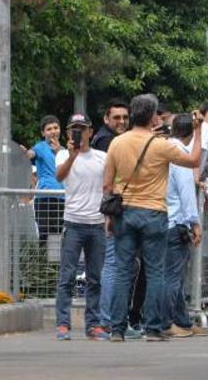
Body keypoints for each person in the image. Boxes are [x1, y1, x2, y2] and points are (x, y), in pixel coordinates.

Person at [103, 93, 204, 342]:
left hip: (125, 212)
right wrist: (198, 130)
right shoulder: (161, 145)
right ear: (152, 117)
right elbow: (193, 160)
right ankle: (153, 328)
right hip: (154, 212)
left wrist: (108, 218)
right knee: (155, 271)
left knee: (123, 271)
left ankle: (117, 328)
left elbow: (107, 185)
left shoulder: (117, 143)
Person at [52, 114, 109, 341]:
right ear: (68, 133)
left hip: (96, 224)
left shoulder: (102, 157)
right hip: (73, 223)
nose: (79, 133)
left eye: (82, 129)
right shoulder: (63, 155)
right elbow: (59, 176)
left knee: (95, 278)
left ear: (90, 132)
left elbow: (109, 185)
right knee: (67, 276)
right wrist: (72, 156)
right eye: (74, 129)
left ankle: (93, 324)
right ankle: (63, 324)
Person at [162, 114, 208, 338]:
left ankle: (182, 320)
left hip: (161, 219)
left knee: (174, 275)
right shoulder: (179, 155)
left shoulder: (162, 149)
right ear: (191, 134)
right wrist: (195, 222)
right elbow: (186, 192)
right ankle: (167, 322)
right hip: (175, 220)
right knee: (173, 276)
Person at [90, 99, 129, 333]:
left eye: (125, 117)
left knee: (114, 264)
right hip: (111, 211)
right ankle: (108, 320)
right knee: (113, 264)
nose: (122, 121)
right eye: (116, 118)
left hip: (109, 209)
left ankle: (111, 318)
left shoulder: (108, 138)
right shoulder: (107, 140)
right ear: (106, 119)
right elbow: (109, 179)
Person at [26, 115, 65, 249]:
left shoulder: (64, 151)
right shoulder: (41, 147)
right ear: (43, 133)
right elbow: (30, 154)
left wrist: (59, 151)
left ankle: (54, 267)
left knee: (59, 234)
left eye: (56, 127)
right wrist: (24, 153)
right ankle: (42, 267)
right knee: (45, 233)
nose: (53, 131)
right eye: (49, 129)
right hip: (44, 197)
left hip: (62, 197)